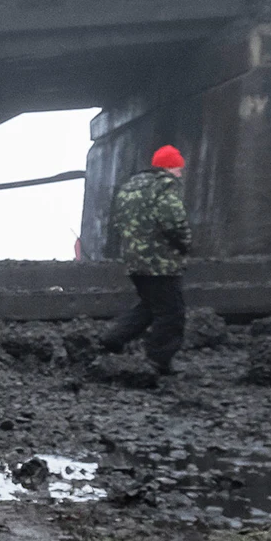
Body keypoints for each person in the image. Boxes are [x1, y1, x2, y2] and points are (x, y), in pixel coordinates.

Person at [99, 143, 192, 374]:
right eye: (179, 169)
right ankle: (157, 361)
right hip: (160, 263)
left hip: (135, 261)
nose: (180, 174)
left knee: (151, 306)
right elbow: (174, 223)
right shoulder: (164, 188)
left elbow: (118, 223)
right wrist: (185, 244)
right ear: (169, 167)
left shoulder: (128, 189)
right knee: (172, 313)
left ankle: (113, 339)